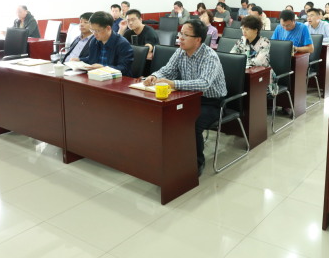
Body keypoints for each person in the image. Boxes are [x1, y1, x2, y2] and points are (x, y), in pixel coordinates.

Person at [143, 19, 226, 176]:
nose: (180, 38)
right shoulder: (180, 51)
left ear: (198, 40)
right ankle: (172, 156)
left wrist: (174, 84)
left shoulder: (209, 56)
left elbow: (204, 84)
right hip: (188, 98)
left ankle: (196, 162)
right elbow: (167, 70)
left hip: (211, 103)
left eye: (185, 35)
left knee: (190, 122)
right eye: (180, 33)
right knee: (165, 116)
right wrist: (154, 76)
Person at [80, 11, 134, 76]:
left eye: (97, 31)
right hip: (97, 76)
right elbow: (91, 59)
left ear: (108, 28)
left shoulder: (122, 44)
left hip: (116, 78)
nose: (94, 33)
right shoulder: (94, 41)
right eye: (92, 30)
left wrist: (104, 68)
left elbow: (124, 68)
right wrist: (79, 60)